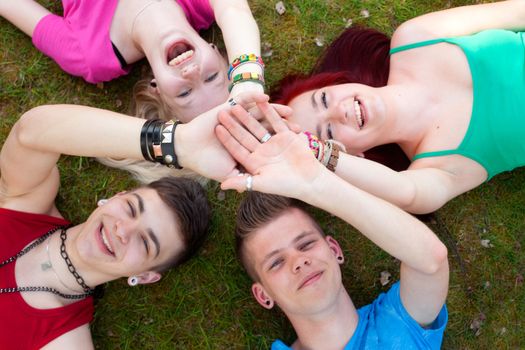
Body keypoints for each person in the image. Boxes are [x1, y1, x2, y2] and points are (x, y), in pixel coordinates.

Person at [0, 94, 269, 348]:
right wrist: (178, 143)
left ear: (145, 276)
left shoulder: (63, 342)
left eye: (145, 241)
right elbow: (31, 132)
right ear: (115, 197)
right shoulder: (28, 202)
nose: (122, 230)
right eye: (130, 208)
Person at [215, 102, 449, 349]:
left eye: (306, 244)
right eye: (276, 262)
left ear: (335, 250)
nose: (299, 262)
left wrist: (317, 184)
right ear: (265, 295)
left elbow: (430, 261)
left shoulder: (398, 322)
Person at [271, 0, 525, 214]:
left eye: (324, 99)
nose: (339, 111)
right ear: (353, 156)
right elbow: (407, 193)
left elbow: (517, 11)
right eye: (328, 133)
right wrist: (318, 156)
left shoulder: (413, 37)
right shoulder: (433, 170)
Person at [0, 0, 263, 122]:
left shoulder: (91, 55)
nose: (192, 74)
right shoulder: (205, 4)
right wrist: (248, 77)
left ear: (156, 87)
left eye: (184, 93)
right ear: (217, 50)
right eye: (212, 77)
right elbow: (234, 11)